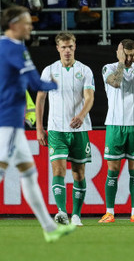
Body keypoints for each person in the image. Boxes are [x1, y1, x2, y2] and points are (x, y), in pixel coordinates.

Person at [0, 6, 76, 245]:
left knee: (29, 175)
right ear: (14, 25)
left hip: (3, 120)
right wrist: (55, 84)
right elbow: (35, 82)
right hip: (10, 122)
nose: (30, 26)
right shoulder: (16, 49)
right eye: (26, 22)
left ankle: (49, 228)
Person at [36, 32, 95, 227]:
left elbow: (89, 97)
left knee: (79, 173)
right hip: (56, 129)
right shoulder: (49, 71)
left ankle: (76, 214)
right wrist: (39, 127)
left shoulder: (85, 70)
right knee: (58, 170)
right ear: (57, 48)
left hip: (80, 129)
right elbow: (41, 98)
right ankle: (62, 211)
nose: (67, 50)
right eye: (63, 47)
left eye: (70, 47)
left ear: (75, 47)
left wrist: (81, 115)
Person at [98, 39, 134, 223]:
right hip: (115, 125)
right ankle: (109, 212)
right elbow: (115, 83)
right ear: (118, 52)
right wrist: (123, 63)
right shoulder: (108, 68)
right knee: (113, 170)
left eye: (132, 54)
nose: (129, 57)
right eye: (126, 54)